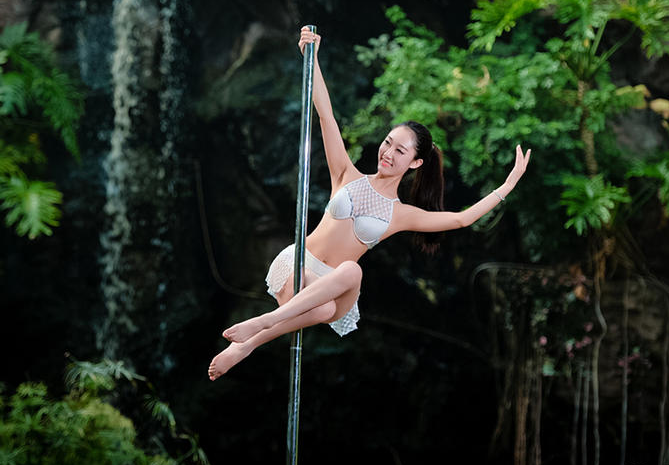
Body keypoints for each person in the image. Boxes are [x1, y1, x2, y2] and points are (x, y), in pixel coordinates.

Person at [208, 26, 531, 381]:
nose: (388, 153)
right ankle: (251, 341)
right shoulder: (346, 174)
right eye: (388, 142)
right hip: (299, 269)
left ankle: (259, 327)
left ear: (415, 163)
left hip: (333, 288)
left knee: (349, 275)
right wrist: (311, 58)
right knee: (326, 304)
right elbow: (326, 115)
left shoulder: (400, 214)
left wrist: (508, 184)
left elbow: (460, 220)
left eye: (400, 151)